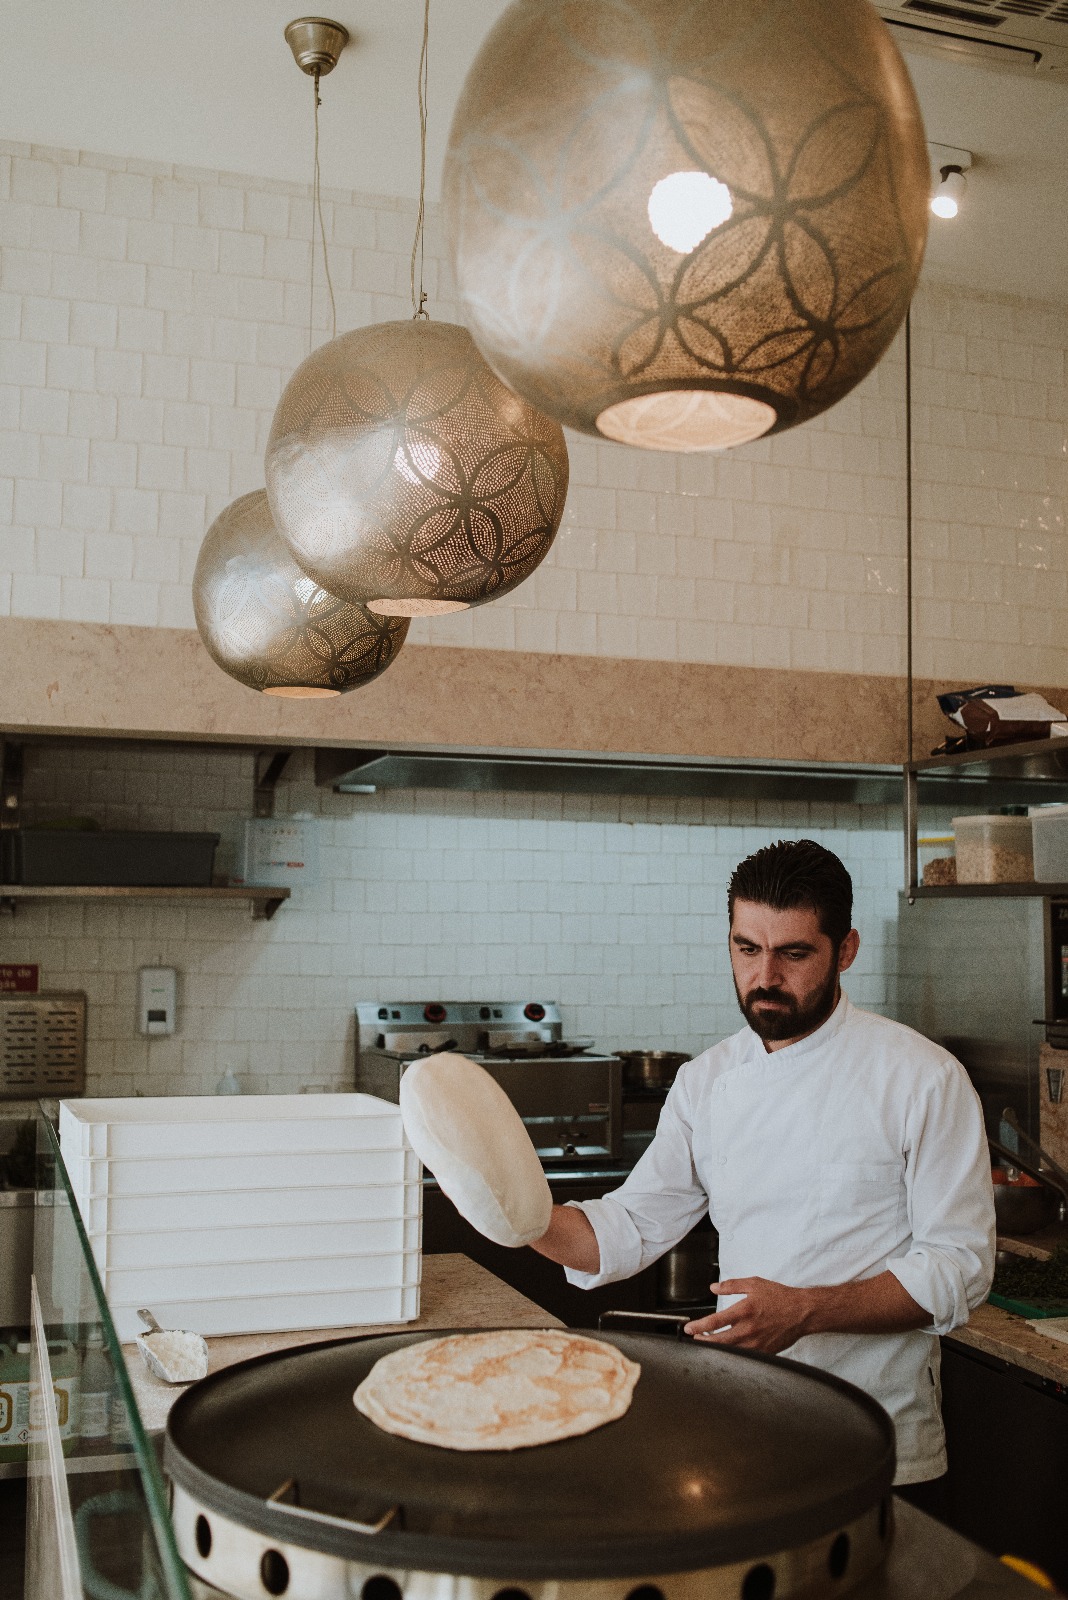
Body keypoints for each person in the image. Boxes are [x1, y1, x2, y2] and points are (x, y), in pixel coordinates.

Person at [532, 839, 996, 1491]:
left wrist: (805, 1310)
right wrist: (510, 1207)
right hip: (748, 1425)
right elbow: (627, 1228)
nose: (765, 976)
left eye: (793, 953)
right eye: (747, 949)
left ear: (847, 950)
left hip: (879, 1442)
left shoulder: (921, 1078)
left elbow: (960, 1268)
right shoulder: (708, 1080)